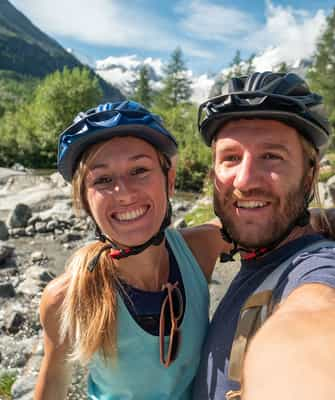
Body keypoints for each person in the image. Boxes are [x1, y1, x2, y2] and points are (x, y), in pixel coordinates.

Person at [33, 100, 227, 400]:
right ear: (85, 201)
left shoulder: (199, 248)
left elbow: (260, 223)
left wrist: (320, 218)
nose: (124, 193)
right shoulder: (65, 297)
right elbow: (54, 384)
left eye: (139, 170)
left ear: (170, 181)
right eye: (103, 180)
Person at [192, 71, 335, 400]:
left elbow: (313, 318)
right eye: (230, 158)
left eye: (272, 156)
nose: (244, 181)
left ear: (310, 173)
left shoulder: (317, 266)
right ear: (213, 173)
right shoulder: (255, 259)